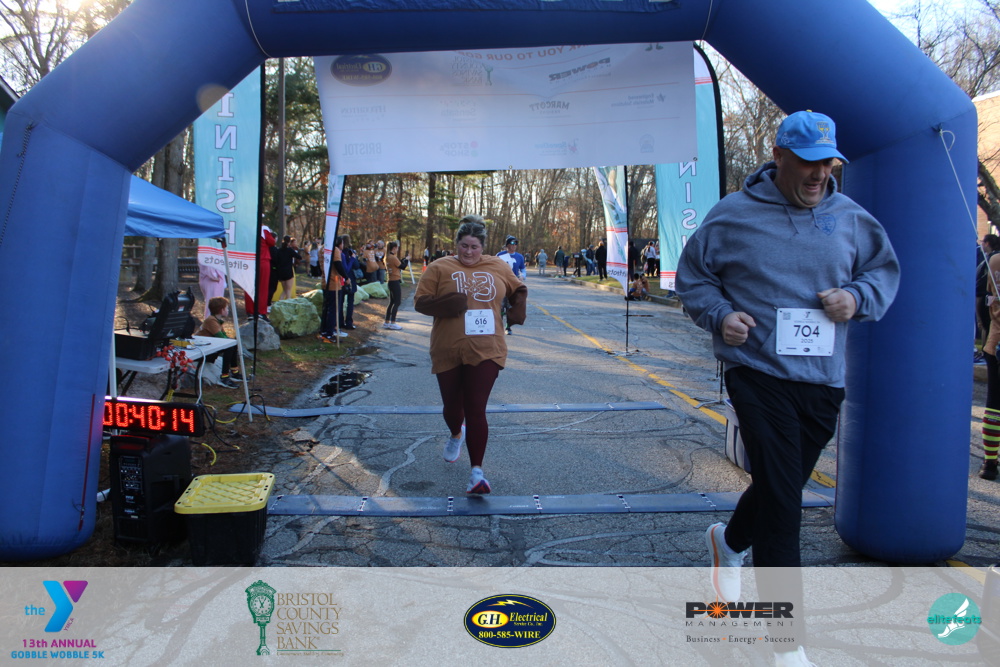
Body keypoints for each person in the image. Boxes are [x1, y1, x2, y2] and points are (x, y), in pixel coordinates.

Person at [676, 110, 900, 666]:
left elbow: (882, 271)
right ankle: (786, 642)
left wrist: (856, 298)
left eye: (828, 163)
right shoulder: (733, 215)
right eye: (807, 162)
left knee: (781, 487)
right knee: (783, 502)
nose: (820, 174)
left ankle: (728, 542)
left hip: (822, 381)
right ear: (779, 156)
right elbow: (693, 278)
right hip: (757, 373)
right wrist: (720, 315)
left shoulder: (851, 219)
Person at [414, 215, 527, 495]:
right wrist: (448, 304)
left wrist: (517, 310)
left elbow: (518, 288)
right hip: (448, 347)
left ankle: (477, 473)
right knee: (453, 408)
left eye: (474, 247)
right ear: (457, 244)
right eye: (464, 246)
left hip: (487, 347)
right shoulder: (440, 267)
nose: (468, 252)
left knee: (476, 408)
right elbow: (420, 302)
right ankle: (456, 433)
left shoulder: (497, 265)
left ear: (483, 247)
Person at [981, 248, 1000, 480]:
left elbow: (986, 296)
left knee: (994, 405)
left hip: (995, 341)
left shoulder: (995, 260)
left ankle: (989, 463)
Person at [195, 296, 242, 389]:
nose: (228, 310)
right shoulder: (211, 320)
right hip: (202, 352)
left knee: (232, 344)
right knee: (229, 346)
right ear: (221, 310)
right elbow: (221, 337)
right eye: (226, 308)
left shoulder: (217, 320)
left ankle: (234, 372)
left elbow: (225, 337)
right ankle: (224, 376)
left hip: (209, 348)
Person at [319, 235, 350, 341]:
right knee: (333, 309)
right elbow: (338, 264)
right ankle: (329, 332)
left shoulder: (322, 248)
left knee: (326, 307)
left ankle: (323, 330)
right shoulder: (334, 250)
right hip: (333, 282)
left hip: (325, 281)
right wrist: (346, 277)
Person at [245, 226, 276, 320]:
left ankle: (250, 311)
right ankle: (260, 312)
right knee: (263, 288)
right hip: (262, 260)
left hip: (249, 260)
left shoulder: (245, 228)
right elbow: (272, 242)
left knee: (249, 286)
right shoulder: (263, 229)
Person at [497, 236, 526, 335]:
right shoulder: (500, 255)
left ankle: (508, 326)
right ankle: (499, 326)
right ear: (507, 245)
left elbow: (523, 269)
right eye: (512, 244)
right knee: (500, 306)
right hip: (502, 283)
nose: (514, 246)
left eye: (516, 244)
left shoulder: (519, 257)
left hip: (513, 284)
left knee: (510, 306)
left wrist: (522, 276)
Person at [383, 241, 410, 330]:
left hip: (390, 280)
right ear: (394, 248)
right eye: (397, 248)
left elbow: (398, 265)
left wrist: (404, 259)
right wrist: (407, 260)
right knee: (397, 302)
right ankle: (393, 322)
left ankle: (387, 321)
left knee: (391, 302)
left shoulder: (387, 257)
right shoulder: (393, 257)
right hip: (395, 280)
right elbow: (402, 266)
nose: (397, 250)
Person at [270, 235, 300, 302]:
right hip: (288, 271)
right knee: (288, 289)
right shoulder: (290, 250)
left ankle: (280, 301)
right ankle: (288, 302)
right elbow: (299, 257)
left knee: (285, 289)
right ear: (289, 242)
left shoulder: (278, 250)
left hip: (280, 272)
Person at [341, 246, 359, 330]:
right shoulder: (350, 252)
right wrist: (354, 257)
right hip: (350, 279)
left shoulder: (339, 252)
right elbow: (356, 266)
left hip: (341, 279)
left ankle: (340, 321)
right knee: (350, 302)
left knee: (340, 302)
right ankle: (349, 322)